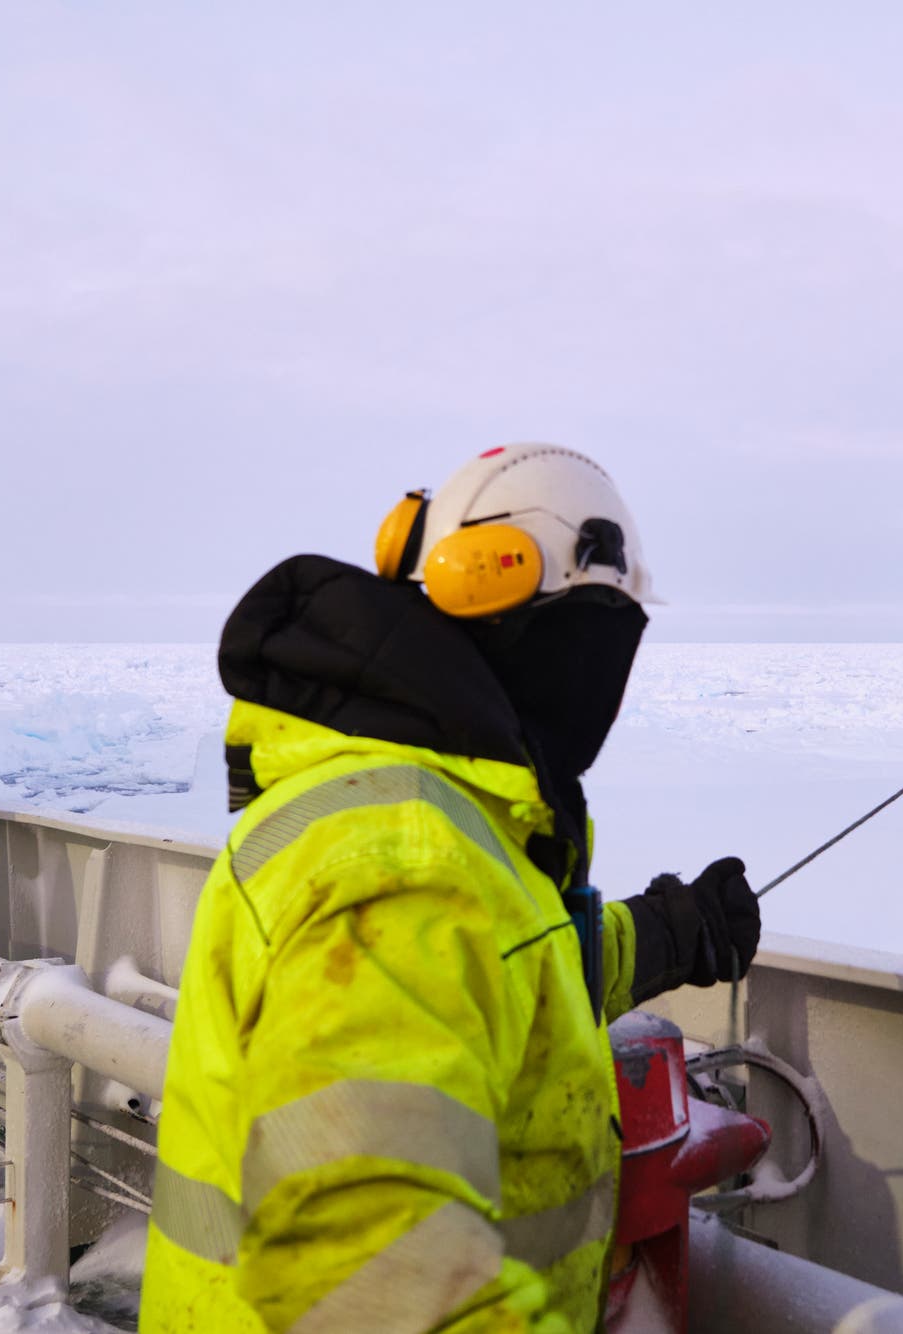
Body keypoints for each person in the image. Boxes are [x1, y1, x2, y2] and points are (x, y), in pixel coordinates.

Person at [141, 445, 761, 1333]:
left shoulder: (424, 813)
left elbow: (495, 971)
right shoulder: (401, 863)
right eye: (609, 626)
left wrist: (672, 931)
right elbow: (369, 1263)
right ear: (512, 597)